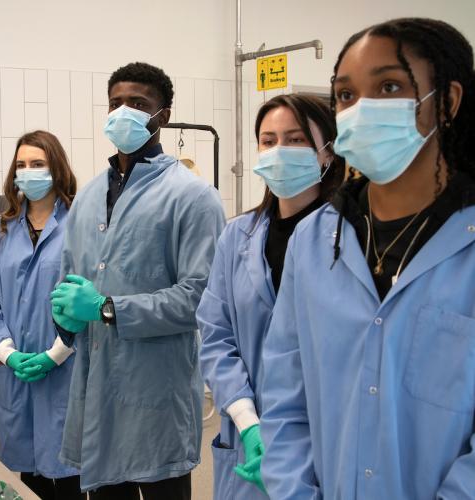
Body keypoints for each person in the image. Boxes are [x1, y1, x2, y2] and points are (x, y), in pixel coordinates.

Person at [260, 18, 475, 498]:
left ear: (448, 102)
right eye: (346, 95)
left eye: (390, 86)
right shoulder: (315, 241)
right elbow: (283, 396)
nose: (361, 109)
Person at [49, 62, 226, 499]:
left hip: (156, 392)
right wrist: (66, 319)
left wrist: (107, 309)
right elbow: (70, 280)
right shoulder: (89, 196)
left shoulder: (192, 196)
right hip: (98, 388)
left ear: (162, 116)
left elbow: (199, 298)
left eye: (137, 104)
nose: (122, 112)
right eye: (115, 103)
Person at [197, 93, 344, 499]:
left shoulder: (347, 238)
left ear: (327, 151)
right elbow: (214, 333)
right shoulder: (238, 235)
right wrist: (247, 418)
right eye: (268, 140)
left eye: (296, 140)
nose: (279, 151)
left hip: (319, 432)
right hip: (244, 429)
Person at [0, 130, 85, 500]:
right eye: (21, 165)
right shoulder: (0, 229)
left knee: (72, 474)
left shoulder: (80, 225)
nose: (28, 172)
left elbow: (87, 296)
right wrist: (6, 351)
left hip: (67, 368)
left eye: (38, 164)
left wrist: (56, 353)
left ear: (56, 168)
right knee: (28, 478)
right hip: (16, 370)